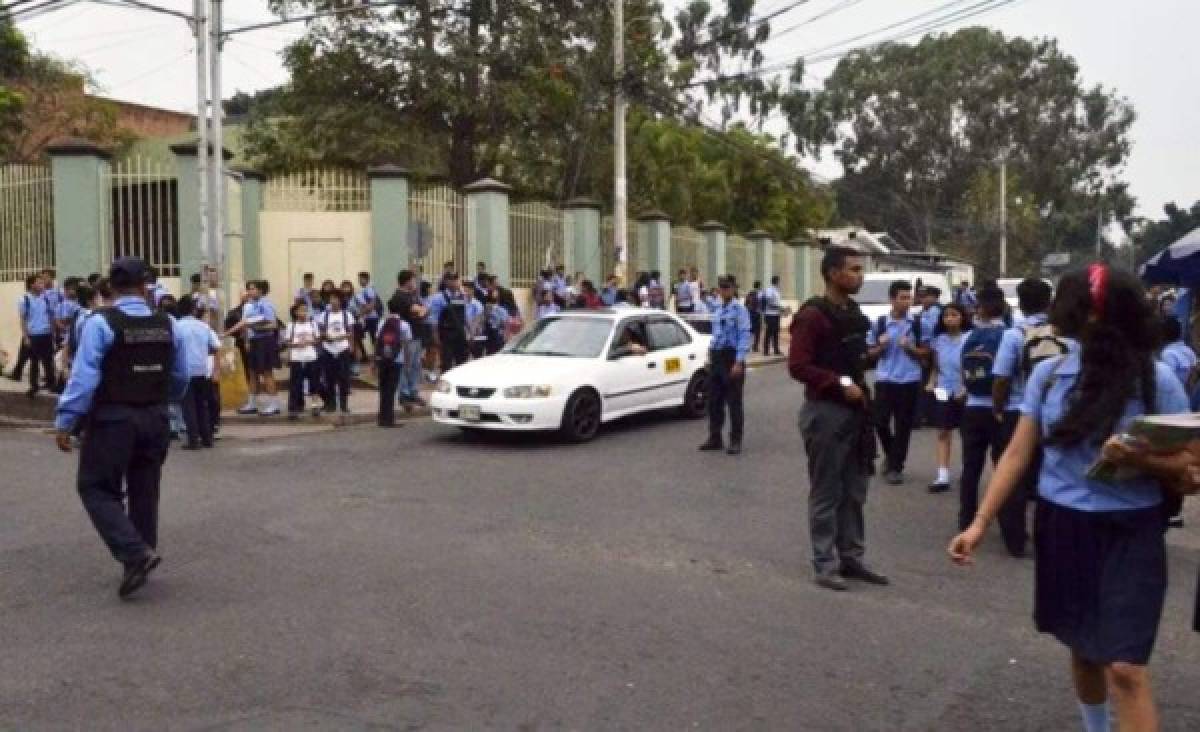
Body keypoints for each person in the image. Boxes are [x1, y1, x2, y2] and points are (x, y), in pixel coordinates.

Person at [949, 265, 1192, 732]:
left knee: (1125, 668)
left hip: (1133, 530)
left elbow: (1191, 470)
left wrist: (1141, 461)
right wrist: (979, 523)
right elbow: (1018, 453)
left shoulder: (1156, 380)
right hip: (1064, 526)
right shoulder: (1049, 375)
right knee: (1084, 650)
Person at [54, 256, 189, 599]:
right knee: (145, 487)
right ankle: (140, 554)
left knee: (95, 487)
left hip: (114, 419)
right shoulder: (169, 323)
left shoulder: (101, 323)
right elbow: (180, 377)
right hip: (156, 418)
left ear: (110, 288)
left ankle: (135, 553)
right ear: (146, 286)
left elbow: (84, 379)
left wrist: (66, 421)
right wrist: (161, 401)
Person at [789, 246, 887, 591]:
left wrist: (875, 354)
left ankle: (851, 556)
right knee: (827, 491)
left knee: (855, 489)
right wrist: (841, 384)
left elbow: (853, 358)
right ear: (833, 273)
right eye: (854, 270)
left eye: (861, 270)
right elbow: (799, 366)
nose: (860, 276)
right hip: (826, 413)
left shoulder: (853, 311)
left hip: (856, 411)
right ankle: (824, 563)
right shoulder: (812, 315)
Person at [991, 278, 1067, 551]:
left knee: (1014, 475)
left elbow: (1001, 377)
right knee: (1048, 475)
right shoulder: (1064, 334)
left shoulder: (1014, 334)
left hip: (1018, 411)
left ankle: (1015, 538)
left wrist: (997, 408)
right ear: (1049, 301)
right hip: (1056, 413)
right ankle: (1048, 535)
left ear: (1020, 304)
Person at [866, 280, 926, 485]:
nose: (906, 302)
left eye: (909, 297)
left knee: (903, 425)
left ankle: (895, 466)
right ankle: (892, 454)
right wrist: (880, 347)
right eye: (902, 298)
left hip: (909, 379)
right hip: (885, 379)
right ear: (892, 299)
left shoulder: (917, 324)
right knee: (880, 421)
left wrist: (910, 348)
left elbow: (926, 353)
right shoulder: (881, 323)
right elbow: (869, 353)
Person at [699, 275, 752, 455]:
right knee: (714, 400)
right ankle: (715, 437)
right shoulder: (718, 308)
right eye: (721, 287)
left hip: (731, 357)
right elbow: (716, 335)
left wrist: (738, 361)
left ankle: (735, 440)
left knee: (734, 402)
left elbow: (744, 335)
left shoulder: (740, 310)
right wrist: (709, 358)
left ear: (733, 289)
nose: (724, 290)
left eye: (727, 287)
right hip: (717, 356)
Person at [926, 303, 970, 493]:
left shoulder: (970, 338)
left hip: (964, 390)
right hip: (943, 389)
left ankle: (967, 471)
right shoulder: (939, 341)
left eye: (954, 315)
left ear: (962, 317)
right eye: (947, 316)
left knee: (967, 434)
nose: (950, 319)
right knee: (943, 431)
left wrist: (966, 387)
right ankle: (942, 474)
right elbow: (936, 367)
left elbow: (971, 366)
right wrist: (931, 382)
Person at [223, 280, 281, 416]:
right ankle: (252, 402)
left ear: (260, 291)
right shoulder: (248, 306)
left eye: (253, 289)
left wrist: (256, 327)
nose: (250, 291)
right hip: (253, 341)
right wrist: (226, 333)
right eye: (249, 289)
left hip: (265, 340)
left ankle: (273, 403)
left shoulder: (266, 305)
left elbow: (273, 325)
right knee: (252, 372)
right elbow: (243, 323)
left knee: (267, 372)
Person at [174, 295, 220, 449]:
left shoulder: (176, 326)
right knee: (202, 405)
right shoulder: (204, 326)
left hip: (184, 370)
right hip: (202, 369)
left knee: (188, 406)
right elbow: (214, 347)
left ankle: (193, 439)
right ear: (193, 310)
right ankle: (207, 438)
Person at [392, 270, 430, 408]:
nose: (415, 283)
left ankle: (414, 392)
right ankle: (404, 394)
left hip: (417, 334)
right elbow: (419, 310)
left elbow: (425, 310)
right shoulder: (400, 297)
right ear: (407, 281)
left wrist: (422, 310)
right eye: (413, 280)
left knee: (415, 365)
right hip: (406, 337)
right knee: (405, 365)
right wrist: (422, 310)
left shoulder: (413, 296)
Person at [374, 300, 413, 427]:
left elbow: (377, 342)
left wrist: (375, 360)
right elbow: (407, 346)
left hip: (382, 359)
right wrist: (408, 363)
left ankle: (381, 418)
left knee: (383, 390)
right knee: (391, 390)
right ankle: (389, 420)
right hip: (397, 360)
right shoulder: (404, 325)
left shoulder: (381, 323)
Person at [281, 302, 322, 420]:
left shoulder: (313, 324)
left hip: (311, 356)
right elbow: (287, 342)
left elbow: (317, 339)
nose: (304, 313)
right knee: (295, 384)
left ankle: (315, 405)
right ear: (296, 312)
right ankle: (294, 407)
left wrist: (309, 342)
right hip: (297, 357)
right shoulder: (291, 326)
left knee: (314, 382)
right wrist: (296, 344)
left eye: (305, 310)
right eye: (301, 310)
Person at [317, 291, 355, 414]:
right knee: (329, 378)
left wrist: (351, 346)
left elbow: (351, 332)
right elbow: (321, 333)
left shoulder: (347, 315)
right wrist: (326, 336)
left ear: (340, 300)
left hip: (342, 349)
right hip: (328, 349)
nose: (333, 301)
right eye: (331, 299)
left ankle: (344, 404)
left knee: (344, 378)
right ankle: (331, 404)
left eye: (335, 299)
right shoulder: (324, 315)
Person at [17, 272, 55, 398]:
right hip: (34, 335)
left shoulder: (45, 298)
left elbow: (50, 315)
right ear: (32, 285)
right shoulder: (25, 299)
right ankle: (34, 386)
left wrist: (52, 332)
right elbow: (23, 320)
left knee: (49, 360)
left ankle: (51, 383)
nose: (42, 284)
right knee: (34, 361)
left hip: (46, 333)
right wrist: (26, 337)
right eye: (39, 282)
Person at [429, 273, 470, 372]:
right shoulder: (438, 298)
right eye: (452, 279)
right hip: (447, 335)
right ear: (446, 282)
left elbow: (465, 316)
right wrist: (435, 336)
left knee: (462, 363)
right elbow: (434, 319)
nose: (456, 282)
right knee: (446, 364)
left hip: (460, 334)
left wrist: (469, 332)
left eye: (457, 279)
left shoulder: (462, 296)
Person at [354, 271, 381, 358]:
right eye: (359, 279)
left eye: (361, 279)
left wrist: (361, 313)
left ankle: (377, 357)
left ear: (367, 279)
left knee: (374, 338)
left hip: (372, 318)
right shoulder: (360, 291)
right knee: (357, 335)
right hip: (364, 318)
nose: (360, 281)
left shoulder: (370, 290)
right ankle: (364, 355)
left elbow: (371, 307)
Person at [761, 275, 784, 356]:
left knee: (775, 332)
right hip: (770, 314)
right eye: (779, 281)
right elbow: (769, 302)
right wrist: (780, 308)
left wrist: (781, 309)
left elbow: (776, 302)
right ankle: (766, 351)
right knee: (769, 332)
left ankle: (776, 349)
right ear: (777, 281)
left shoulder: (777, 291)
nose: (780, 283)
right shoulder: (769, 290)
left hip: (776, 314)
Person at [745, 280, 763, 352]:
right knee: (757, 331)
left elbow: (745, 304)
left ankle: (748, 346)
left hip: (750, 314)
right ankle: (755, 347)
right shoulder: (759, 294)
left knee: (750, 331)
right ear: (759, 286)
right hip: (756, 314)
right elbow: (760, 305)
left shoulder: (749, 293)